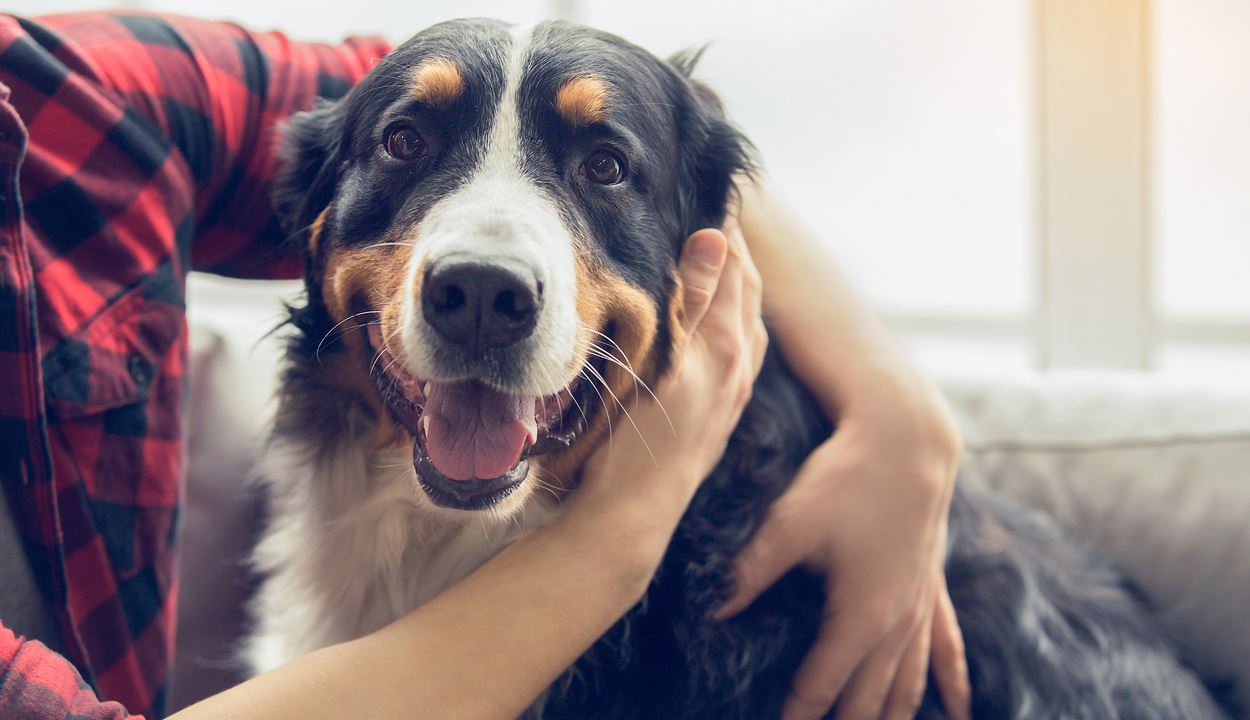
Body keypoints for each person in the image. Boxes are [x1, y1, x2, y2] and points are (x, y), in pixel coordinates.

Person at [0, 11, 967, 720]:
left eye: (603, 167)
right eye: (409, 147)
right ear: (314, 223)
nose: (484, 275)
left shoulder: (68, 91)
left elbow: (625, 109)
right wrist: (616, 537)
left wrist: (900, 416)